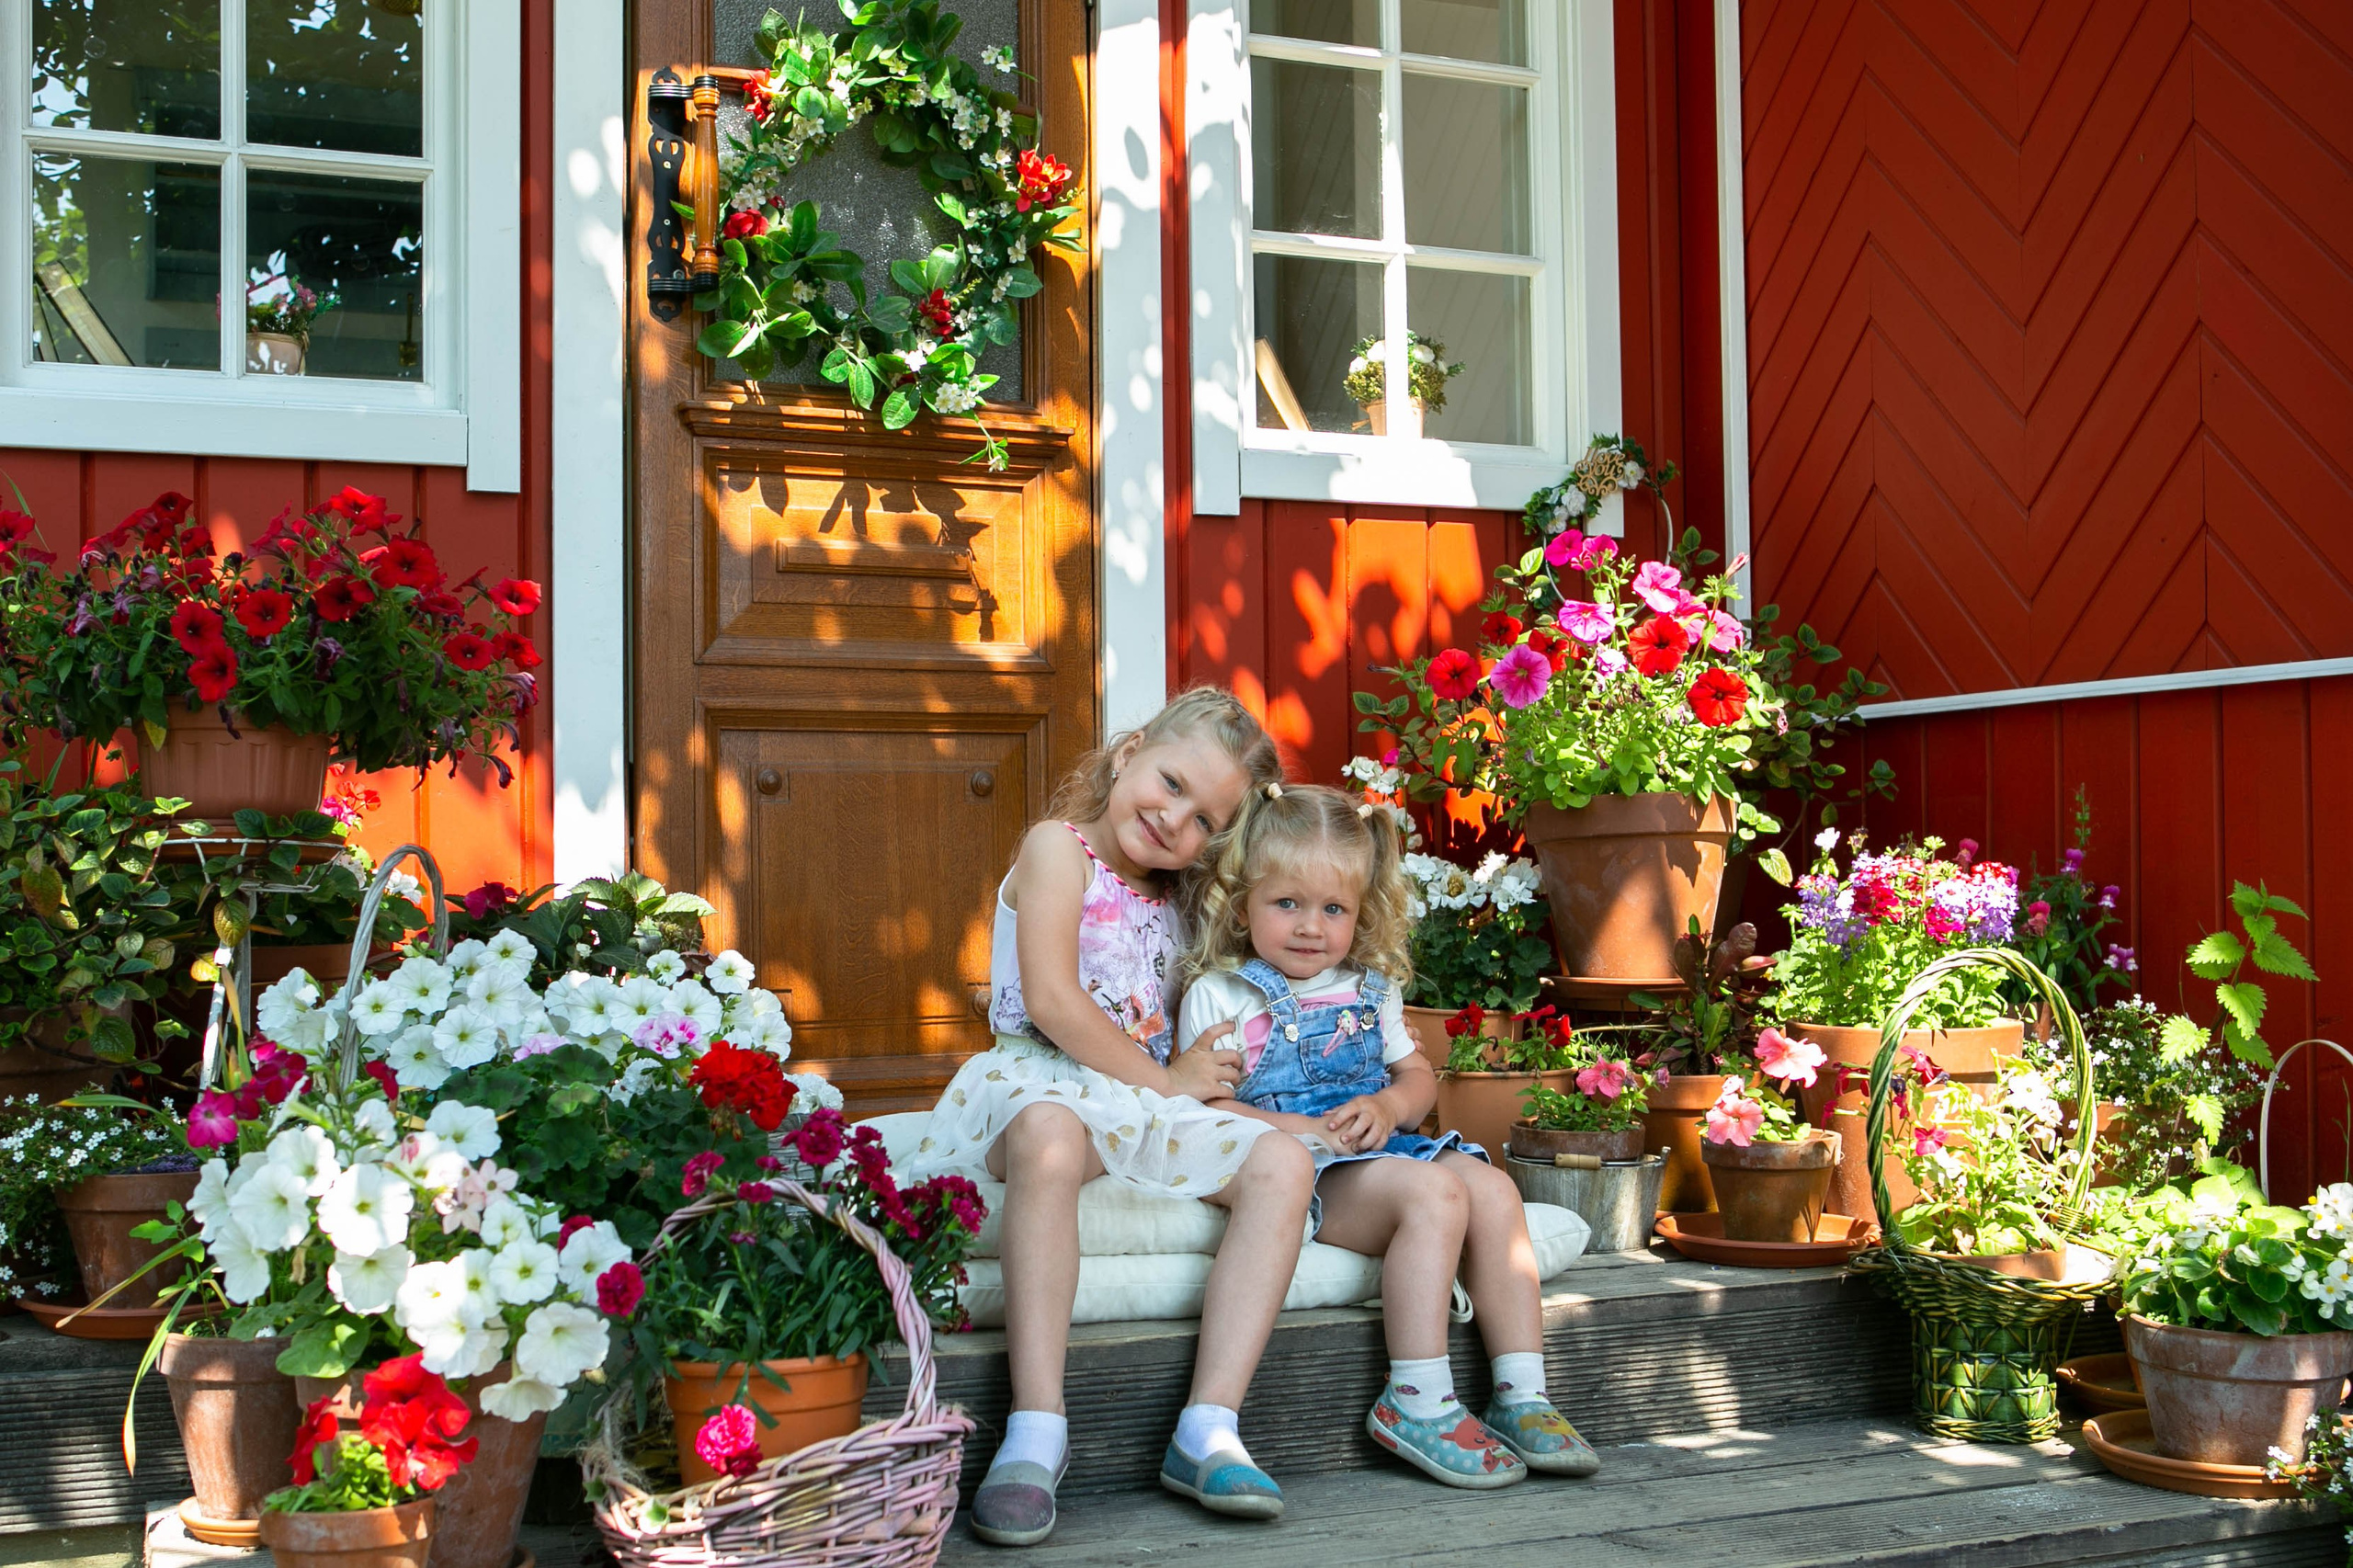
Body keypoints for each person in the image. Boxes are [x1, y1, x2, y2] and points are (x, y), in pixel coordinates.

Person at [906, 688, 1313, 1545]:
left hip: (1136, 1094)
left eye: (1205, 819)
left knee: (1282, 1165)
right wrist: (1170, 1082)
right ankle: (1036, 1429)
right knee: (1051, 1134)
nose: (1174, 821)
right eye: (1169, 783)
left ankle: (1208, 1427)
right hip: (1042, 1079)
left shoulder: (1180, 897)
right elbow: (1054, 1000)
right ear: (1128, 753)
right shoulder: (1061, 850)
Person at [1175, 782, 1598, 1489]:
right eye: (1288, 903)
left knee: (1492, 1190)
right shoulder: (1223, 996)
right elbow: (1208, 1110)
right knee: (1434, 1194)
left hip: (1379, 1149)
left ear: (1359, 910)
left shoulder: (1370, 989)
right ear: (1243, 899)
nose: (1311, 926)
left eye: (1333, 908)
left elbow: (1419, 1079)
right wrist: (1302, 1128)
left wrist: (1388, 1104)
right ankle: (1417, 1400)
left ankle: (1524, 1393)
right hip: (1311, 1172)